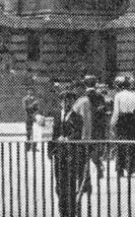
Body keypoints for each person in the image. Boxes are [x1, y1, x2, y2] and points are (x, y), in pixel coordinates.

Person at [50, 83, 90, 215]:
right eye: (63, 99)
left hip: (71, 155)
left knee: (71, 185)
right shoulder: (57, 116)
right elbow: (53, 134)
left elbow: (77, 133)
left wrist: (67, 139)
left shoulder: (77, 117)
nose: (66, 102)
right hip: (59, 155)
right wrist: (50, 150)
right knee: (59, 186)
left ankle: (71, 213)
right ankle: (62, 212)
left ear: (72, 102)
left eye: (69, 99)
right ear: (60, 101)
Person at [111, 75, 135, 176]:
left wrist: (112, 124)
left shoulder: (118, 96)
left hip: (121, 121)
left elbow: (116, 112)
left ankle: (120, 168)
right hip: (132, 121)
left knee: (120, 144)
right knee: (131, 143)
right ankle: (131, 168)